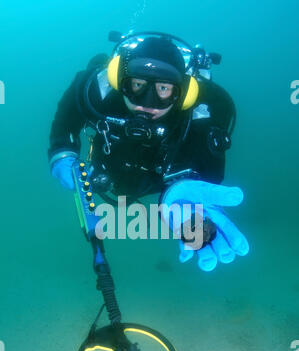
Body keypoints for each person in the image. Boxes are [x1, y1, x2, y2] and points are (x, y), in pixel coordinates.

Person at [49, 31, 249, 271]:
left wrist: (183, 199)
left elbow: (209, 172)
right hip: (110, 171)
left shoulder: (199, 115)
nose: (147, 102)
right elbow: (66, 118)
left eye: (163, 89)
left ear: (182, 93)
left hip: (163, 179)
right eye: (137, 85)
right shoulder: (96, 91)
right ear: (120, 80)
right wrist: (63, 154)